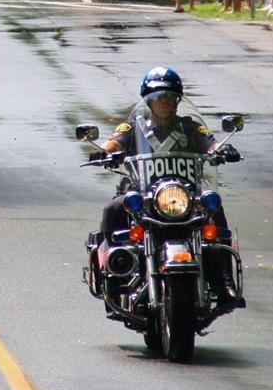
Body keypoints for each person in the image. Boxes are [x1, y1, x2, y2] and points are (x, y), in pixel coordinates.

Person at [89, 67, 241, 302]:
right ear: (149, 102)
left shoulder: (190, 127)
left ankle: (224, 279)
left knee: (213, 205)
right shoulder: (133, 128)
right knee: (114, 208)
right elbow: (114, 143)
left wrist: (221, 149)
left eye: (169, 97)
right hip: (144, 192)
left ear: (177, 101)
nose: (164, 102)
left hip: (184, 194)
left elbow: (210, 142)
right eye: (158, 97)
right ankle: (115, 271)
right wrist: (103, 153)